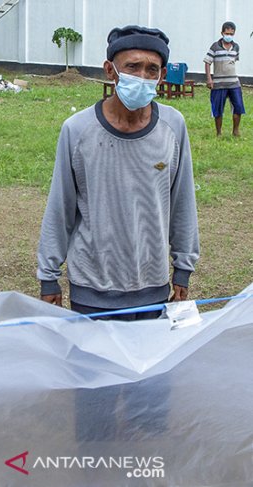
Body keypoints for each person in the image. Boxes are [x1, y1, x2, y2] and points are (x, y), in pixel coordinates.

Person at [36, 25, 200, 441]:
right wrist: (48, 274)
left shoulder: (173, 127)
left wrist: (183, 268)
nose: (143, 78)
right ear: (111, 70)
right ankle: (96, 469)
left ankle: (144, 467)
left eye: (153, 70)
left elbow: (183, 202)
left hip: (152, 287)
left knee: (149, 396)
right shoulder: (77, 130)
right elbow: (61, 206)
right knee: (95, 403)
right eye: (133, 67)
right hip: (93, 291)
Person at [204, 21, 244, 137]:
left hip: (234, 83)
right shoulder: (215, 46)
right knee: (218, 109)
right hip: (218, 83)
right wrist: (209, 79)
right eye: (227, 33)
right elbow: (207, 62)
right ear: (222, 33)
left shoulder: (236, 47)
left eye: (231, 34)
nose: (229, 36)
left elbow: (233, 61)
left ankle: (235, 131)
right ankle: (219, 133)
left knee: (238, 107)